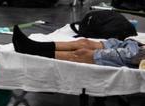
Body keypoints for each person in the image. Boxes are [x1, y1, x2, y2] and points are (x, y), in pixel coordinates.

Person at [11, 25, 144, 69]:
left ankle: (30, 50)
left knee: (83, 53)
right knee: (84, 42)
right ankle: (33, 45)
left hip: (138, 57)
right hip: (139, 46)